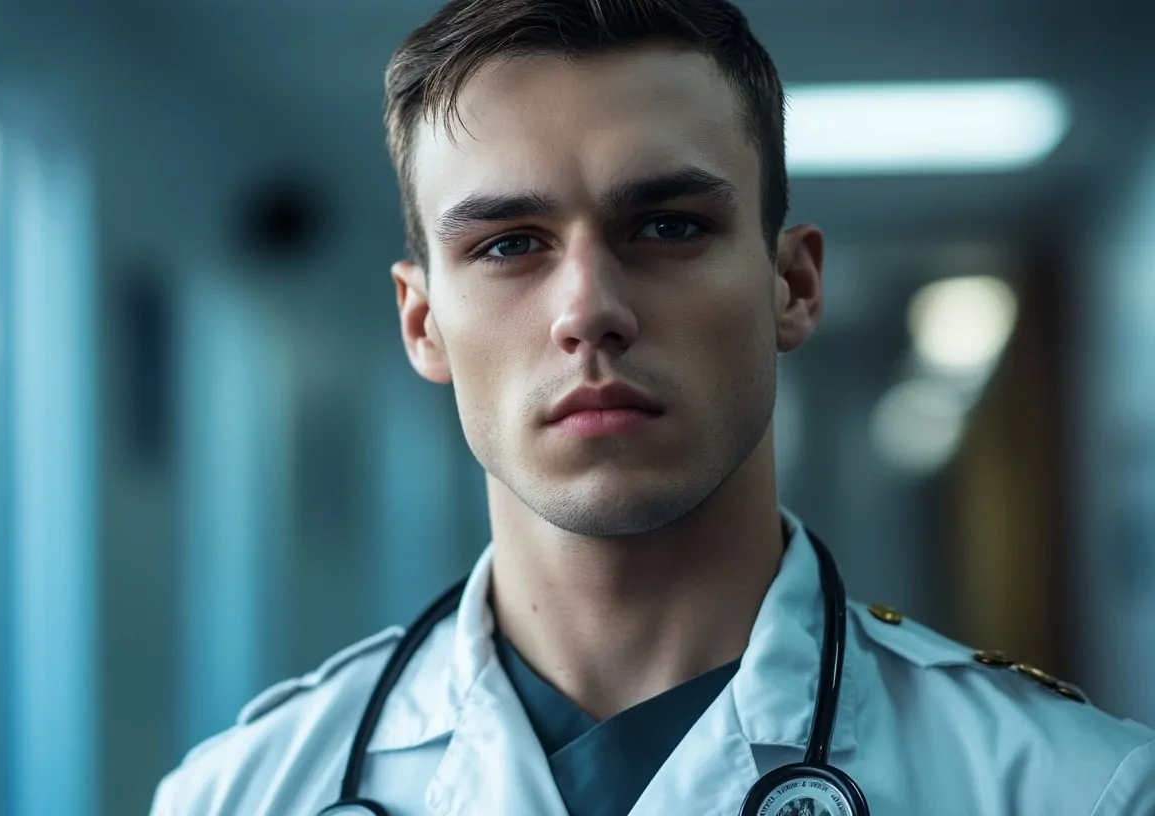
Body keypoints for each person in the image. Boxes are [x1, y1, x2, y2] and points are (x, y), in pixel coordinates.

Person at [149, 1, 1155, 813]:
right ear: (422, 325)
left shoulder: (1075, 791)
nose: (588, 309)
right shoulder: (236, 796)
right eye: (507, 244)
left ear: (792, 287)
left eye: (667, 225)